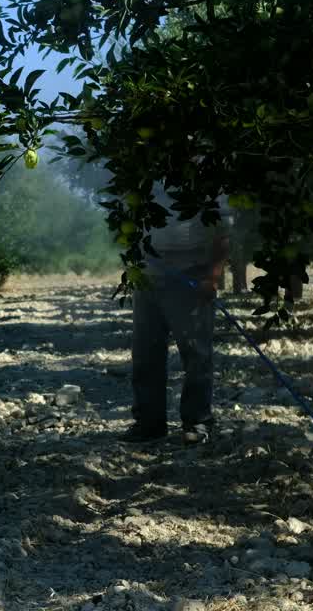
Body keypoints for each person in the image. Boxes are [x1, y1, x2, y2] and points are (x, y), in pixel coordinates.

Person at [122, 186, 234, 445]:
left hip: (190, 274)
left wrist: (212, 276)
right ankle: (149, 423)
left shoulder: (207, 180)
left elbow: (223, 232)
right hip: (148, 276)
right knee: (145, 353)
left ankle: (197, 421)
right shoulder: (144, 178)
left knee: (196, 353)